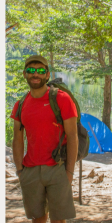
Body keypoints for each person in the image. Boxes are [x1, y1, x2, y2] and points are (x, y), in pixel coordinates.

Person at [11, 55, 78, 223]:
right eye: (31, 70)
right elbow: (18, 140)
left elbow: (72, 136)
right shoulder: (20, 104)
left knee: (58, 220)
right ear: (25, 74)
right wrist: (20, 171)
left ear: (47, 75)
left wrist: (69, 172)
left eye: (40, 71)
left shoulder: (62, 99)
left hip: (58, 168)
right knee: (38, 220)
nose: (36, 75)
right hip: (31, 171)